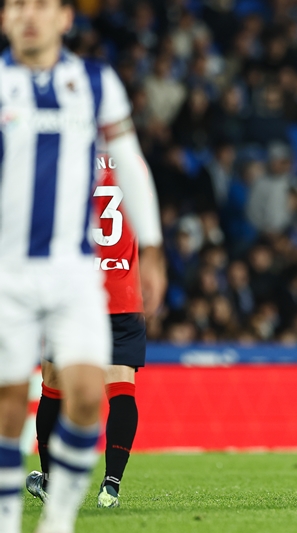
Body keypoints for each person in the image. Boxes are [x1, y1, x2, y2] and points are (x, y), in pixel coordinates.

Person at [0, 1, 165, 532]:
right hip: (13, 267)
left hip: (75, 272)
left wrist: (156, 250)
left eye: (43, 6)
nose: (30, 16)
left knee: (87, 394)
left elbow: (132, 167)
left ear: (65, 19)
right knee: (9, 400)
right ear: (5, 18)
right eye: (18, 5)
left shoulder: (96, 84)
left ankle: (59, 516)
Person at [26, 154, 149, 509]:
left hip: (74, 292)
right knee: (121, 386)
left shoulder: (66, 157)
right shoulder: (134, 163)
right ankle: (111, 486)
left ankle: (49, 480)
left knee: (54, 384)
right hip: (123, 295)